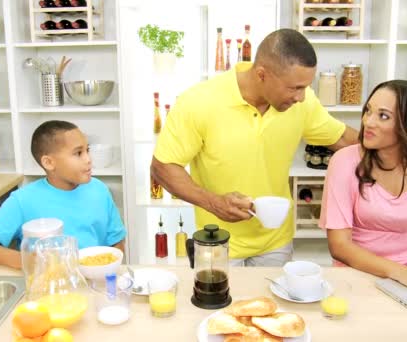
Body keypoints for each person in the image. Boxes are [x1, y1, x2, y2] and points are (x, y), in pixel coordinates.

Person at [151, 29, 358, 266]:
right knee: (220, 304)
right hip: (217, 243)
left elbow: (342, 138)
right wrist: (213, 202)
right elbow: (162, 166)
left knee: (273, 304)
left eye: (305, 87)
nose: (301, 97)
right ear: (262, 75)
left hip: (276, 243)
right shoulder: (198, 102)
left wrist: (397, 147)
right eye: (294, 88)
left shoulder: (303, 103)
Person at [319, 80, 407, 299]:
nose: (368, 122)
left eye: (383, 116)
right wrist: (400, 273)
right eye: (368, 111)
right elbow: (339, 246)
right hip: (357, 271)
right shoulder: (344, 161)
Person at [0, 120, 126, 269]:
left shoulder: (99, 190)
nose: (88, 159)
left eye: (87, 150)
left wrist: (108, 268)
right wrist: (26, 260)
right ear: (49, 163)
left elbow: (116, 240)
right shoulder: (23, 200)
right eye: (78, 153)